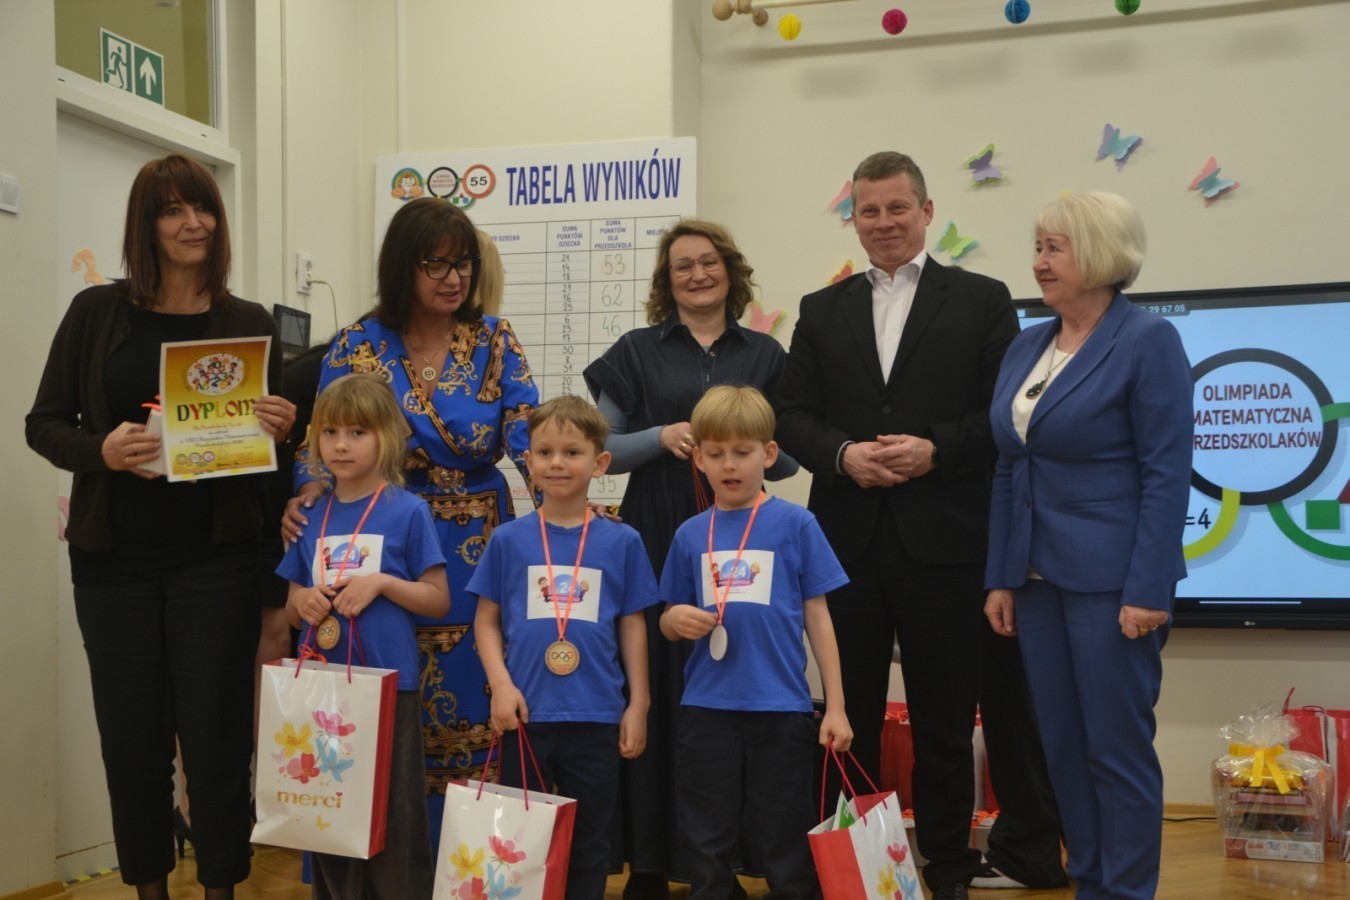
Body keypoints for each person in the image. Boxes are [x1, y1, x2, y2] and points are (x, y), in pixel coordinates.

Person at [775, 151, 1066, 899]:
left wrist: (937, 449)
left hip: (948, 543)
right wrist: (841, 456)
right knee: (849, 716)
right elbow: (791, 415)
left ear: (927, 212)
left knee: (944, 721)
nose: (883, 223)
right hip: (845, 547)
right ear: (854, 219)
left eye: (897, 208)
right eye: (868, 210)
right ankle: (856, 866)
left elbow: (1004, 412)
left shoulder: (981, 299)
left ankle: (946, 864)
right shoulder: (820, 308)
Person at [26, 154, 297, 900]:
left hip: (218, 560)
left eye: (203, 207)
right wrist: (102, 450)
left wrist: (285, 427)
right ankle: (149, 889)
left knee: (217, 739)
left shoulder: (248, 323)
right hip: (113, 562)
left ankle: (221, 888)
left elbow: (267, 457)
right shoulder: (95, 313)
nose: (193, 223)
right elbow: (43, 424)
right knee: (132, 741)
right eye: (173, 210)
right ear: (145, 226)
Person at [282, 197, 539, 845]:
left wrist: (565, 511)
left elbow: (528, 436)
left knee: (478, 698)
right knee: (372, 699)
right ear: (403, 267)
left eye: (464, 264)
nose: (455, 278)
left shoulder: (494, 339)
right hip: (378, 537)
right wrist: (308, 496)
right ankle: (372, 862)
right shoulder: (357, 343)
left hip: (475, 546)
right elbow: (322, 439)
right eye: (437, 265)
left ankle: (469, 863)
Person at [983, 192, 1192, 900]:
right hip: (1036, 580)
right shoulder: (1027, 344)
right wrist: (1002, 575)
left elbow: (1167, 473)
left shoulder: (1147, 340)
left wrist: (1149, 588)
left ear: (1101, 253)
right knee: (1064, 751)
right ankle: (1092, 885)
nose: (1039, 262)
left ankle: (1125, 892)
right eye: (1038, 247)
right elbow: (1010, 466)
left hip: (1114, 584)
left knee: (1115, 750)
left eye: (1055, 248)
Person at [583, 219, 797, 896]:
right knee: (657, 688)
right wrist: (664, 435)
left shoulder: (767, 354)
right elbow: (603, 449)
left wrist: (736, 446)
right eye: (683, 265)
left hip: (744, 543)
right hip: (656, 533)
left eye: (709, 262)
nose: (698, 274)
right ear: (666, 279)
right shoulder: (634, 350)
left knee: (732, 695)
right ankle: (650, 860)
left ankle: (734, 861)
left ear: (730, 271)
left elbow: (789, 457)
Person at [659, 385, 851, 900]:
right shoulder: (690, 534)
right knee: (706, 832)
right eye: (716, 453)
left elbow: (819, 618)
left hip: (781, 708)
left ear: (768, 454)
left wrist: (835, 707)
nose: (729, 465)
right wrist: (674, 618)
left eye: (742, 452)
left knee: (785, 830)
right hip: (707, 709)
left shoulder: (797, 524)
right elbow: (667, 618)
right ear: (698, 458)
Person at [470, 395, 657, 899]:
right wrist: (501, 686)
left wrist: (638, 704)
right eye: (545, 452)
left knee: (590, 843)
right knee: (518, 841)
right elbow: (486, 620)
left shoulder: (622, 541)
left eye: (572, 452)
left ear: (600, 463)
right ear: (528, 461)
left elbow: (633, 624)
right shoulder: (508, 539)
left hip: (596, 715)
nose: (556, 463)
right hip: (525, 716)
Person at [279, 374, 450, 899]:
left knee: (395, 815)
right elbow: (291, 607)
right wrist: (304, 602)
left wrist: (383, 583)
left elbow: (437, 599)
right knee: (328, 814)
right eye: (330, 432)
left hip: (388, 688)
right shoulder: (310, 516)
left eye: (358, 432)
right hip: (322, 691)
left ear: (387, 436)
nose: (342, 445)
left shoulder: (407, 510)